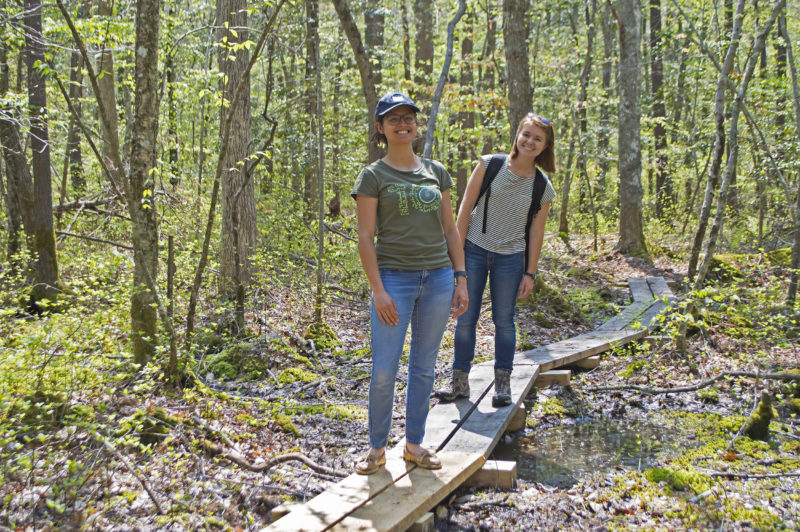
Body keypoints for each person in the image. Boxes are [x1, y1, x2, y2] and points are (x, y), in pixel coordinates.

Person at [351, 93, 469, 475]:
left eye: (409, 118)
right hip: (394, 282)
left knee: (423, 366)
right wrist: (378, 289)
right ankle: (376, 448)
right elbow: (366, 237)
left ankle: (414, 444)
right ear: (380, 128)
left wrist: (460, 278)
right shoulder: (373, 176)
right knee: (384, 368)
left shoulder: (437, 171)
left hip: (436, 279)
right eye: (394, 119)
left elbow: (450, 228)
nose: (403, 124)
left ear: (416, 126)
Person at [438, 113, 557, 407]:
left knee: (504, 321)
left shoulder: (542, 186)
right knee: (465, 318)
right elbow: (464, 213)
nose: (530, 141)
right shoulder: (489, 165)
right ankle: (459, 383)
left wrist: (530, 273)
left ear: (545, 147)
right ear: (518, 134)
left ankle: (503, 385)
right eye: (526, 134)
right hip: (474, 251)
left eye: (537, 139)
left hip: (511, 258)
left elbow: (536, 232)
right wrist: (459, 264)